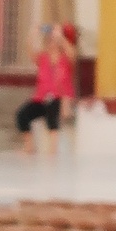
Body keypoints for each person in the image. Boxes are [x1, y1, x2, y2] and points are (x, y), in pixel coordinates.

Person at [14, 21, 73, 151]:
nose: (51, 42)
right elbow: (29, 49)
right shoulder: (43, 58)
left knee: (52, 117)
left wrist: (60, 36)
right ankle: (29, 146)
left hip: (58, 98)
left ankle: (53, 150)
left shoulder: (65, 59)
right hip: (41, 98)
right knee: (22, 115)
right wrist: (33, 33)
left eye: (53, 40)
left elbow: (70, 51)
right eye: (50, 40)